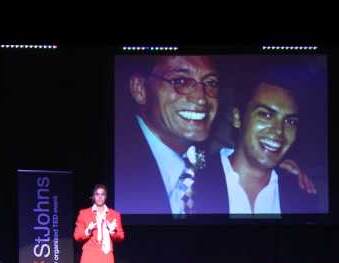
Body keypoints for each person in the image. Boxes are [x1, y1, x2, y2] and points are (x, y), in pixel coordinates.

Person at [115, 55, 314, 217]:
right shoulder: (199, 177)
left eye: (290, 122)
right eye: (181, 81)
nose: (201, 97)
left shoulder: (300, 192)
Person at [195, 67, 320, 215]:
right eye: (266, 115)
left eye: (290, 121)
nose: (279, 130)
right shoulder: (194, 179)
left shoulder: (301, 195)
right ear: (237, 117)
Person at [73, 184, 125, 263]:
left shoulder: (114, 215)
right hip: (89, 259)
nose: (100, 197)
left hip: (106, 258)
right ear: (93, 197)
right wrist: (88, 229)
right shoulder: (84, 213)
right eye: (97, 194)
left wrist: (113, 231)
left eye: (102, 194)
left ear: (106, 197)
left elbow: (121, 237)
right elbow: (77, 236)